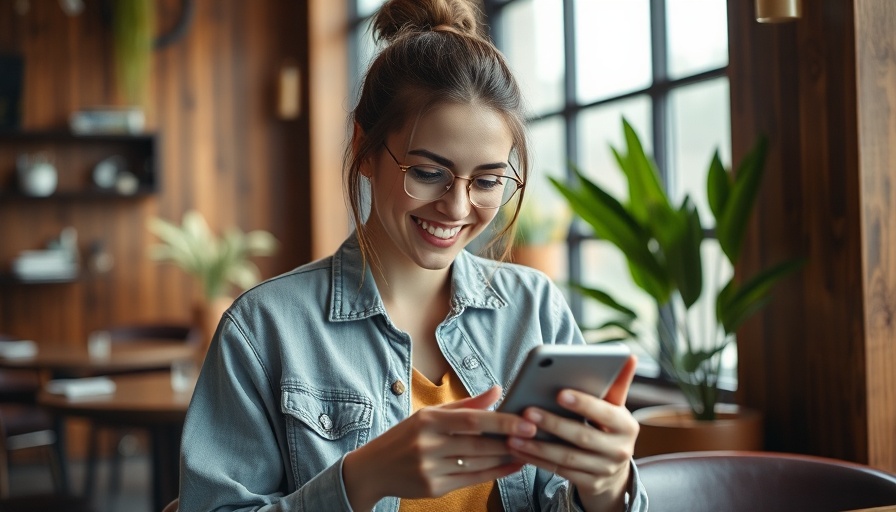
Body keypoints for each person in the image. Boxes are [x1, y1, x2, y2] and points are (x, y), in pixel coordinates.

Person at [178, 0, 648, 510]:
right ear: (364, 150)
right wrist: (360, 480)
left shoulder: (534, 308)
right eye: (427, 172)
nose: (457, 206)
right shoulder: (265, 328)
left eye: (488, 181)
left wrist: (605, 488)